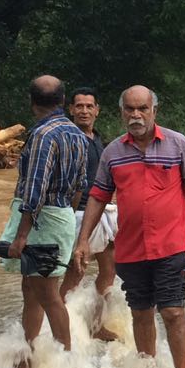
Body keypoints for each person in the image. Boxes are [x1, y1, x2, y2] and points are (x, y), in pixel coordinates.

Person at [75, 85, 185, 368]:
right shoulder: (112, 153)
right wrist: (83, 241)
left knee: (173, 311)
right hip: (131, 248)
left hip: (171, 245)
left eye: (142, 109)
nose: (136, 115)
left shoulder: (179, 145)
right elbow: (98, 196)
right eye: (130, 109)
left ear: (154, 111)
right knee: (141, 313)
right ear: (121, 112)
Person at [0, 75, 88, 367]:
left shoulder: (42, 135)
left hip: (41, 222)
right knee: (31, 289)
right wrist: (66, 218)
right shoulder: (77, 134)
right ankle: (27, 355)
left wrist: (21, 236)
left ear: (31, 102)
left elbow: (35, 190)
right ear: (63, 101)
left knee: (48, 294)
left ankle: (66, 364)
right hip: (61, 217)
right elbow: (80, 186)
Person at [58, 87, 119, 341]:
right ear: (71, 109)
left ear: (97, 110)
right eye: (79, 106)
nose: (84, 111)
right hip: (79, 214)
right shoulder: (68, 139)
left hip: (103, 211)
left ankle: (95, 325)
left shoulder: (97, 139)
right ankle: (56, 329)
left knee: (109, 270)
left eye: (89, 106)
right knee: (75, 273)